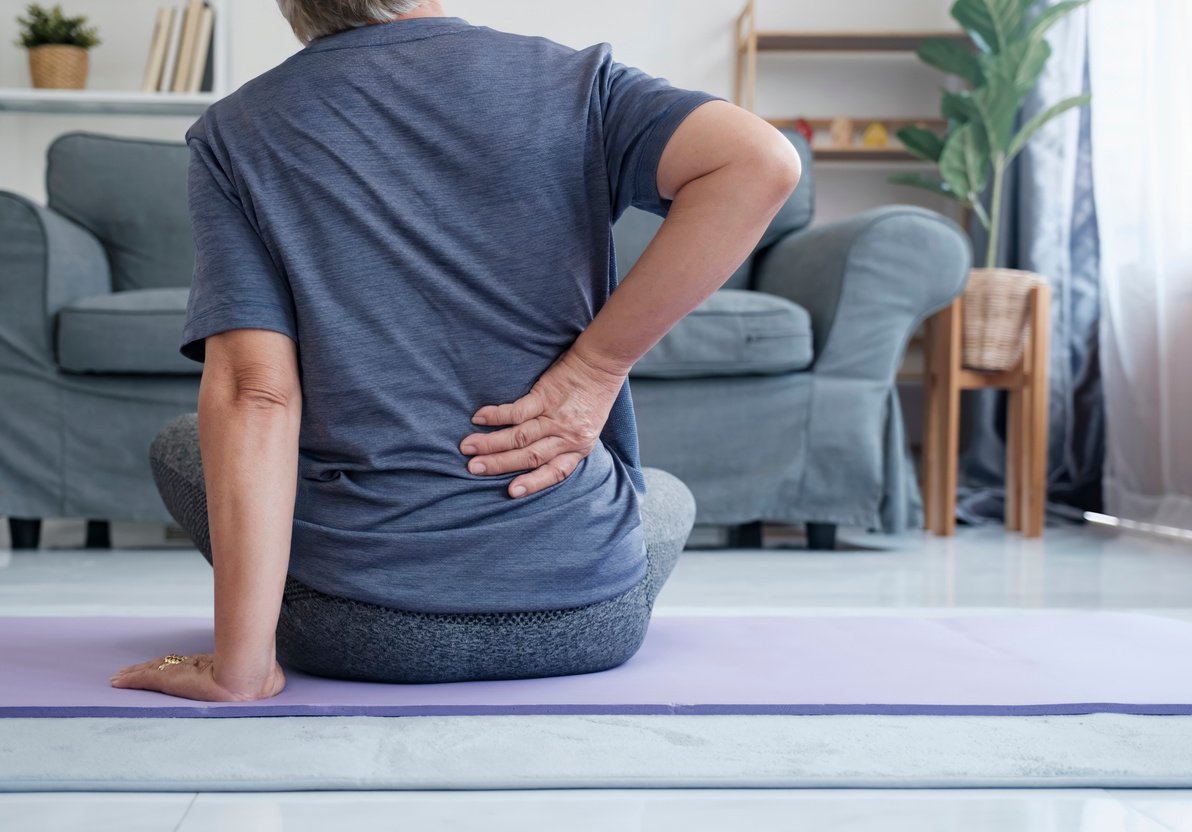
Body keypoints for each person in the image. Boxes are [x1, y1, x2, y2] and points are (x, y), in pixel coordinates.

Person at [111, 0, 801, 701]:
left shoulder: (236, 130)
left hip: (353, 629)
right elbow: (760, 161)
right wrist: (598, 367)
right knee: (668, 497)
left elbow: (254, 392)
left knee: (180, 443)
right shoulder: (572, 82)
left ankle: (251, 654)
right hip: (589, 618)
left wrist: (241, 669)